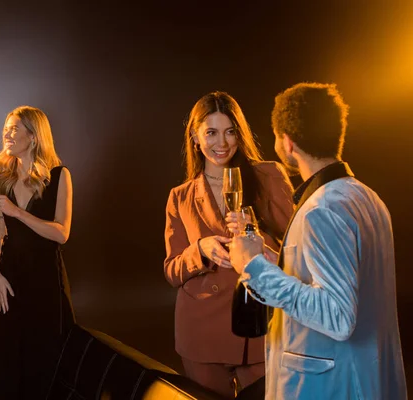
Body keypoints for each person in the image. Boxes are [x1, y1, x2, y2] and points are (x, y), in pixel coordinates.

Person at [229, 82, 408, 399]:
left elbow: (339, 316)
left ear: (287, 143)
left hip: (329, 388)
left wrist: (254, 268)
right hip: (368, 382)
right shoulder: (369, 199)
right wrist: (277, 263)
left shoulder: (321, 209)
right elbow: (353, 285)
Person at [163, 91, 294, 398]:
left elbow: (298, 253)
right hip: (202, 332)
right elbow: (171, 271)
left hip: (260, 324)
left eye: (230, 132)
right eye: (210, 133)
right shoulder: (179, 196)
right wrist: (200, 250)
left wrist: (259, 239)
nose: (221, 144)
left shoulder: (269, 175)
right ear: (195, 138)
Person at [0, 106, 75, 399]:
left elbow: (61, 233)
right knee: (9, 365)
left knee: (46, 364)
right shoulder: (2, 180)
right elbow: (2, 236)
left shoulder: (59, 176)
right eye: (5, 128)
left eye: (14, 128)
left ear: (34, 136)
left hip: (46, 283)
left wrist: (17, 212)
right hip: (11, 283)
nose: (6, 134)